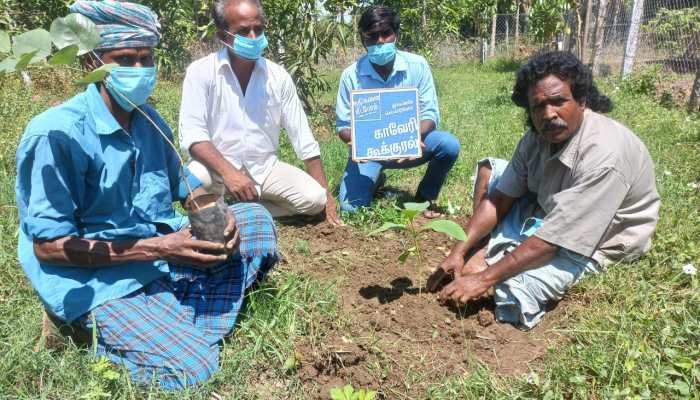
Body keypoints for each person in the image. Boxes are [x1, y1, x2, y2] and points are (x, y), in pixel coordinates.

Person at [15, 0, 278, 389]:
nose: (140, 70)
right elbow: (48, 247)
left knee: (257, 220)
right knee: (194, 368)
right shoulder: (56, 134)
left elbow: (187, 189)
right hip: (96, 277)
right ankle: (84, 327)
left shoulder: (150, 120)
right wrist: (162, 249)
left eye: (146, 58)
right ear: (93, 64)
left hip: (155, 249)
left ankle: (162, 315)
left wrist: (218, 212)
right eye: (125, 59)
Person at [428, 51, 660, 330]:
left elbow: (552, 242)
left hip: (598, 237)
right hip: (551, 206)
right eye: (538, 106)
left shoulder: (605, 155)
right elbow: (500, 199)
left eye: (559, 102)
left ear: (582, 101)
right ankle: (487, 248)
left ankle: (496, 257)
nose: (548, 114)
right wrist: (458, 250)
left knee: (513, 293)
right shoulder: (536, 138)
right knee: (490, 174)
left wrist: (484, 279)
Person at [178, 0, 342, 226]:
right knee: (191, 180)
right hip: (216, 169)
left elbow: (302, 136)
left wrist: (326, 194)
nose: (254, 38)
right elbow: (193, 137)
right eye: (244, 31)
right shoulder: (201, 72)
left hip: (264, 168)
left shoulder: (278, 76)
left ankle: (236, 211)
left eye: (259, 29)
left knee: (314, 200)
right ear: (224, 37)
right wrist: (231, 174)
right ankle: (219, 204)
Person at [335, 6, 460, 217]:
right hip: (370, 154)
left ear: (396, 34)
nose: (380, 41)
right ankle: (375, 179)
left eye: (386, 33)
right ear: (363, 39)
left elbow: (430, 114)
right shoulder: (351, 76)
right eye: (372, 36)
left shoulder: (417, 65)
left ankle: (424, 197)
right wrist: (358, 141)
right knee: (350, 210)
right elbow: (343, 126)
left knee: (448, 145)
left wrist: (411, 136)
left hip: (410, 146)